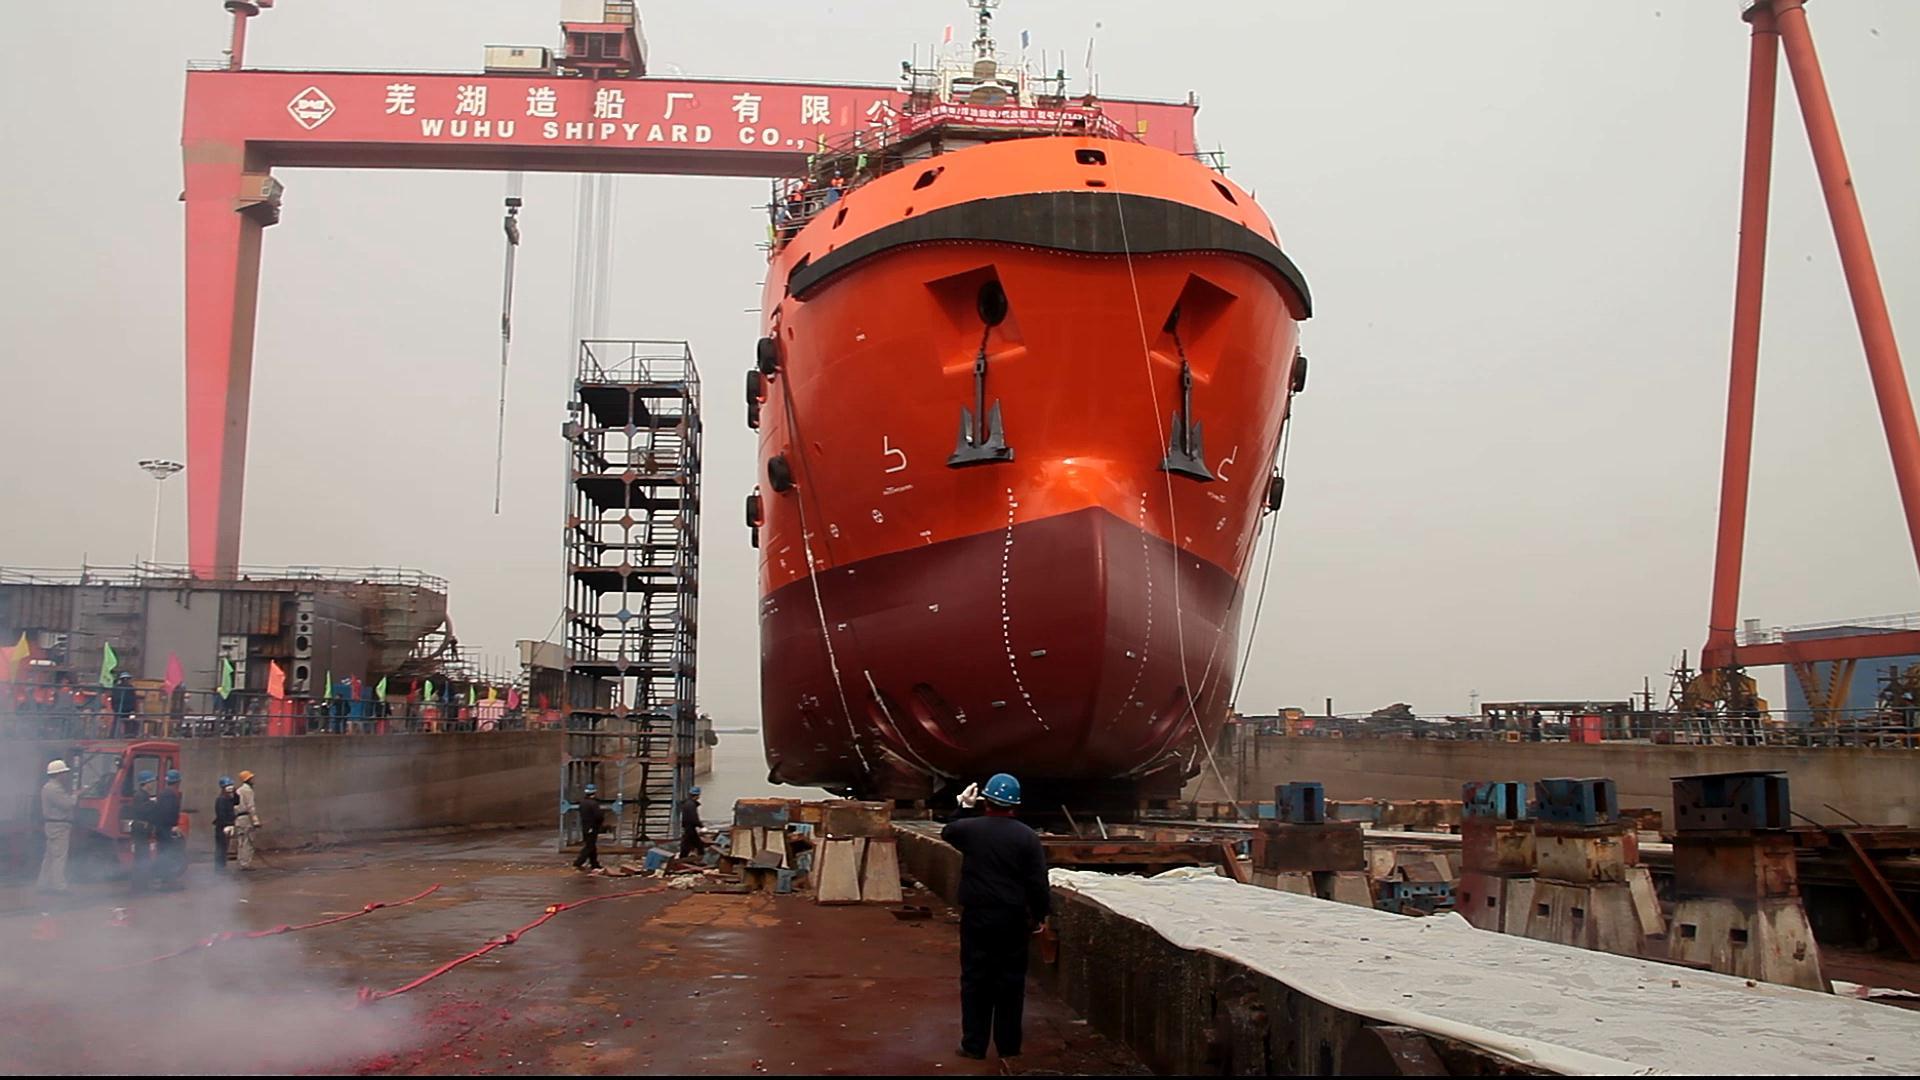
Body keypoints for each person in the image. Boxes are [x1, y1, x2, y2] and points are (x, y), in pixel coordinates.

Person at [940, 772, 1050, 1061]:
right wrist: (1040, 916)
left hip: (977, 918)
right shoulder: (1028, 837)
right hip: (1013, 921)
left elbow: (948, 831)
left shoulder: (970, 830)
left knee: (975, 980)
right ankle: (1008, 1048)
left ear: (985, 801)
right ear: (1015, 806)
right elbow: (1038, 882)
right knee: (1011, 984)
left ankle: (973, 1045)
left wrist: (962, 806)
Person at [37, 760, 76, 894]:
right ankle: (59, 886)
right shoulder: (54, 789)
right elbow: (67, 804)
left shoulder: (48, 787)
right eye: (64, 773)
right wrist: (76, 795)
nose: (65, 776)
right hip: (58, 825)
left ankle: (43, 883)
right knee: (59, 856)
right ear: (58, 774)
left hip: (52, 825)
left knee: (49, 856)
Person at [151, 769, 185, 889]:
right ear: (177, 782)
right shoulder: (170, 795)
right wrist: (173, 826)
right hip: (166, 829)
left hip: (162, 828)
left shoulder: (163, 793)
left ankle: (165, 880)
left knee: (164, 853)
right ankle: (168, 881)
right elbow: (168, 812)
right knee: (168, 854)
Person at [128, 771, 158, 892]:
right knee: (141, 857)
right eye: (151, 782)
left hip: (142, 829)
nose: (153, 784)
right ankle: (139, 885)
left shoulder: (143, 795)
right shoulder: (140, 796)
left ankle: (141, 883)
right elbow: (142, 810)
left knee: (142, 856)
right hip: (140, 830)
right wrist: (153, 803)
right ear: (146, 783)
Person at [233, 770, 262, 870]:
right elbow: (251, 807)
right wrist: (256, 821)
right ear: (248, 779)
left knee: (241, 841)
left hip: (238, 818)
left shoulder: (238, 790)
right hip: (246, 818)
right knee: (247, 842)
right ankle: (245, 863)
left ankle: (241, 862)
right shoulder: (248, 790)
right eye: (251, 778)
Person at [573, 784, 604, 872]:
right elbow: (599, 816)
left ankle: (594, 864)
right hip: (592, 827)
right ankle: (578, 862)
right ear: (594, 792)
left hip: (585, 826)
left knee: (592, 846)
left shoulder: (582, 803)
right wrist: (600, 824)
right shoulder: (594, 804)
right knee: (589, 846)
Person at [212, 776, 238, 872]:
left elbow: (237, 801)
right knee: (221, 848)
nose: (230, 787)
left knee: (225, 847)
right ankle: (219, 868)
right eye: (228, 785)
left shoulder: (229, 798)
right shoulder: (221, 799)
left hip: (228, 825)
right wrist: (227, 824)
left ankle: (222, 867)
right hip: (222, 826)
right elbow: (221, 814)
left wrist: (234, 792)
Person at [677, 786, 709, 859]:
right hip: (690, 828)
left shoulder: (687, 803)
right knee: (689, 844)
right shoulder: (691, 805)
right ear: (697, 795)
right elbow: (693, 818)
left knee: (694, 844)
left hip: (688, 827)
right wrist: (701, 826)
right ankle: (683, 859)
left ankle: (684, 858)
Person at [112, 672, 137, 738]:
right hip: (126, 709)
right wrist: (133, 709)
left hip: (119, 709)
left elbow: (113, 699)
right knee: (129, 722)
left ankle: (113, 735)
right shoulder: (130, 688)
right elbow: (133, 699)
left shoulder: (116, 687)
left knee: (117, 721)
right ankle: (129, 735)